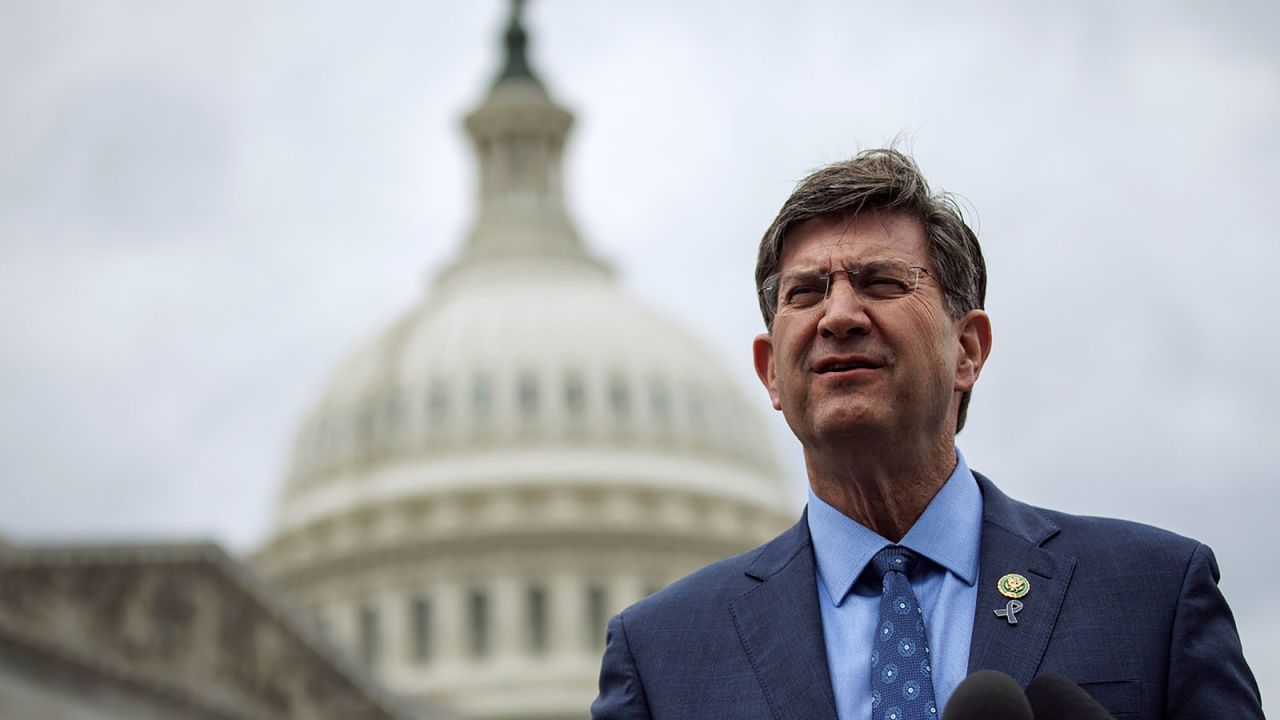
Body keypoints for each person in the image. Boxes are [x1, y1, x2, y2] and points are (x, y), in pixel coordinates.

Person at [591, 148, 1262, 720]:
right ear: (770, 372)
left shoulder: (1153, 594)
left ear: (967, 350)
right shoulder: (663, 657)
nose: (840, 315)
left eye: (882, 282)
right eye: (806, 292)